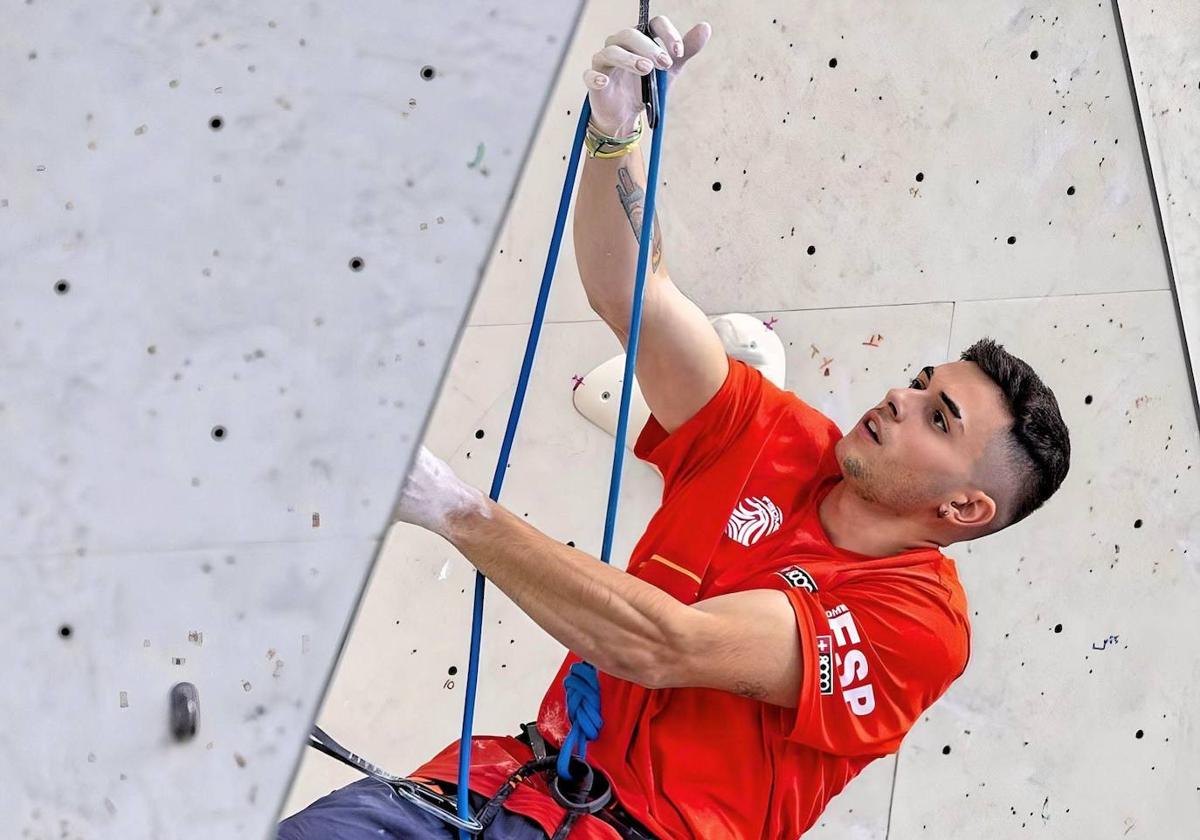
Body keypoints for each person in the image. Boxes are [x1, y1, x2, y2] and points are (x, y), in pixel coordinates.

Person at [279, 14, 1071, 840]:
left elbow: (665, 645)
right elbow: (632, 294)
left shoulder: (918, 622)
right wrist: (615, 141)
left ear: (965, 509)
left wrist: (453, 507)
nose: (901, 399)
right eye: (918, 383)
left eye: (937, 417)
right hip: (498, 788)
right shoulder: (773, 433)